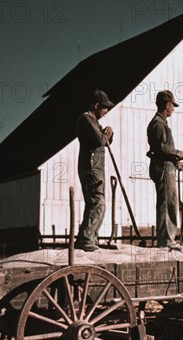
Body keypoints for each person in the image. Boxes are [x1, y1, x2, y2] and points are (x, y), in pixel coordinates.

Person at [147, 90, 183, 248]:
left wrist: (177, 162)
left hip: (166, 167)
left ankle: (166, 238)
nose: (173, 109)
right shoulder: (159, 124)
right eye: (172, 105)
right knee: (168, 203)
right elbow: (162, 148)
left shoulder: (160, 124)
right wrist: (181, 154)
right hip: (164, 170)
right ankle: (166, 240)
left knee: (167, 202)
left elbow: (163, 150)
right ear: (167, 105)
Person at [75, 89, 114, 252]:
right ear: (96, 105)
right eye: (104, 108)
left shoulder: (94, 121)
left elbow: (104, 140)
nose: (106, 111)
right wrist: (106, 135)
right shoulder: (86, 118)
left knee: (96, 202)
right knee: (97, 202)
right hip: (91, 167)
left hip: (96, 167)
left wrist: (109, 134)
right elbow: (99, 140)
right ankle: (86, 239)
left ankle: (91, 238)